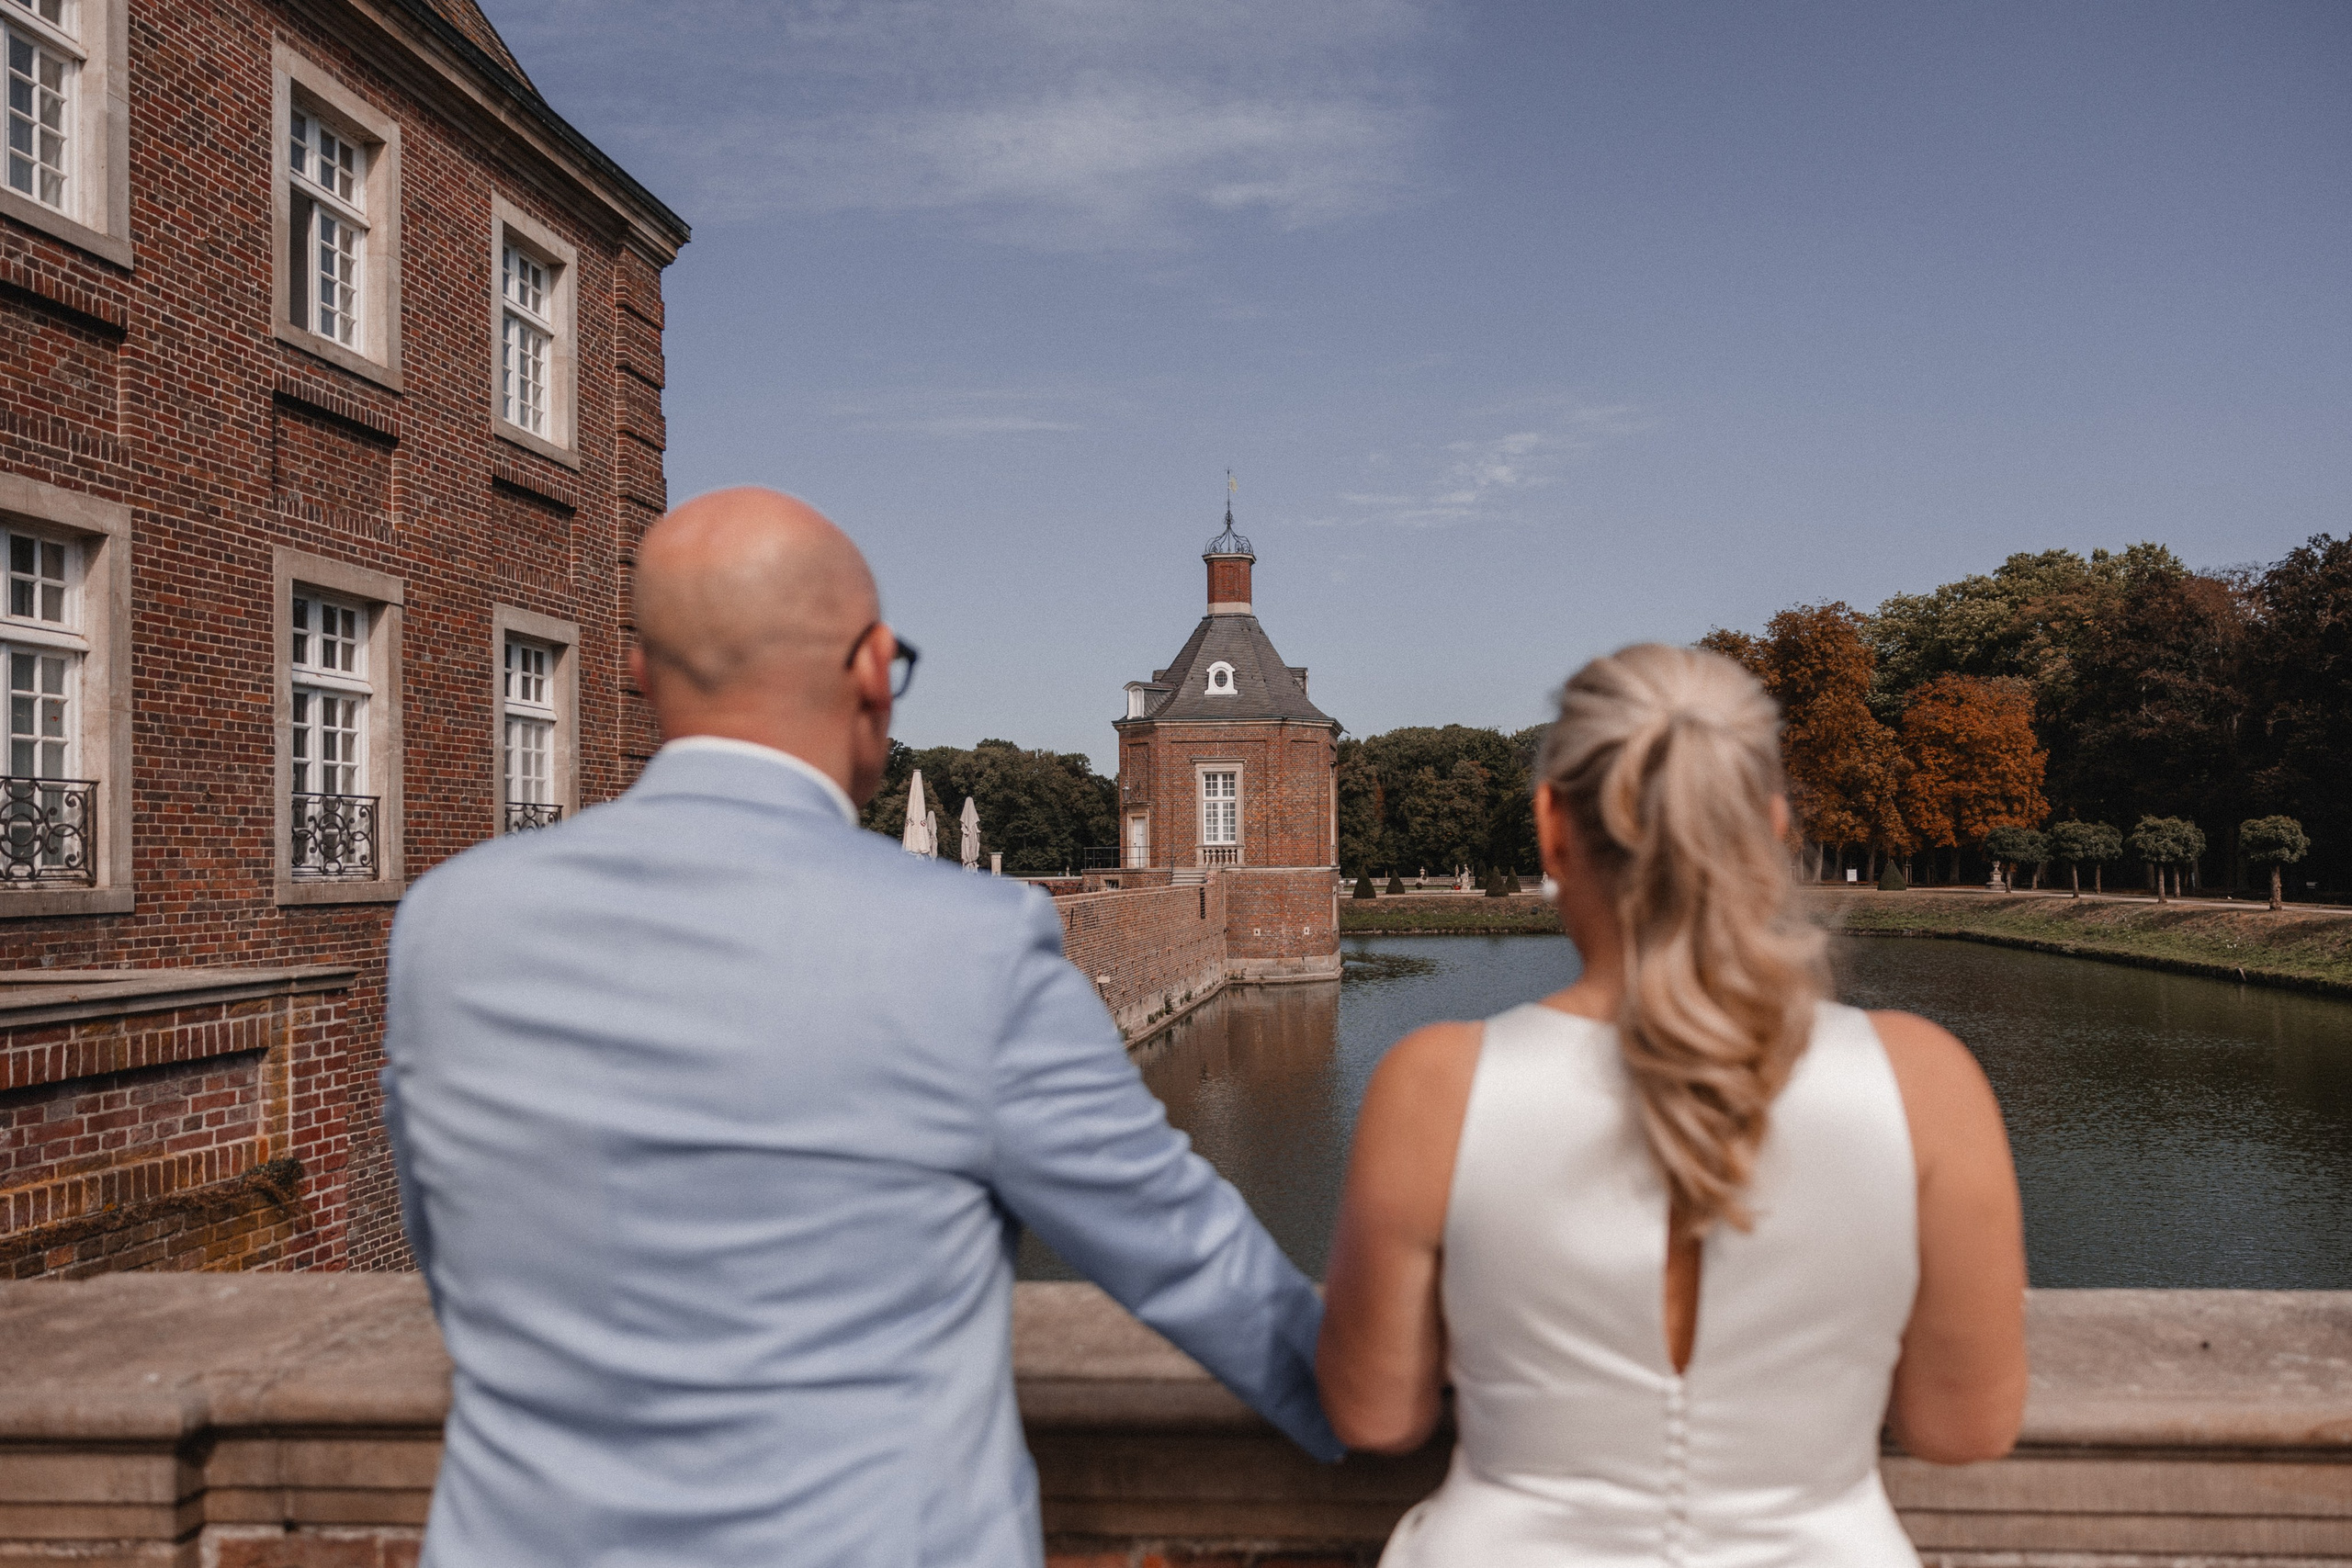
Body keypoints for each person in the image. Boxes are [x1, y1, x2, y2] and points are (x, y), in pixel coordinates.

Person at [382, 488, 1339, 1568]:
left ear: (640, 673)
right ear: (874, 673)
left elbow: (452, 1256)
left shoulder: (447, 926)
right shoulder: (969, 941)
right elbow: (1192, 1268)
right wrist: (1406, 1405)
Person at [1317, 643, 2027, 1566]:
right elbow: (1963, 1428)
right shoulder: (1926, 1080)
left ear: (1551, 827)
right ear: (1770, 828)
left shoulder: (1434, 1084)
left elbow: (1376, 1413)